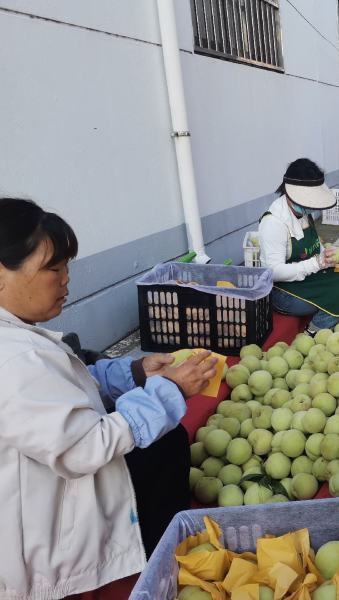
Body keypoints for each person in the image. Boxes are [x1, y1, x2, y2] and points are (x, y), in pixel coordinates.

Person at [0, 198, 217, 598]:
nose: (66, 280)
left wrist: (134, 373)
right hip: (42, 538)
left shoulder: (20, 339)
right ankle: (158, 568)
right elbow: (84, 447)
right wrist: (167, 391)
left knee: (163, 440)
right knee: (162, 444)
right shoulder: (13, 358)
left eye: (67, 266)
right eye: (54, 268)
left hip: (45, 487)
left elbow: (63, 382)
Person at [259, 159, 339, 334]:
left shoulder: (302, 213)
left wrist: (328, 253)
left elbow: (315, 246)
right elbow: (273, 272)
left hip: (307, 278)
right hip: (283, 293)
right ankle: (316, 328)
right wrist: (316, 264)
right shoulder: (273, 223)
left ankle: (333, 315)